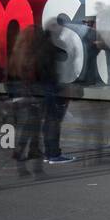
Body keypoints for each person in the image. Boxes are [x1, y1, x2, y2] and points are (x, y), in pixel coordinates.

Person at [7, 26, 44, 177]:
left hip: (19, 97)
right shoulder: (30, 55)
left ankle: (23, 162)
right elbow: (32, 78)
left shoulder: (16, 53)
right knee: (33, 131)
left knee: (27, 130)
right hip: (30, 97)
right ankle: (33, 165)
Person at [39, 21, 77, 164]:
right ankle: (53, 153)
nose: (61, 29)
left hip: (46, 88)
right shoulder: (52, 46)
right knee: (53, 121)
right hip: (53, 88)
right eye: (58, 26)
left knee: (49, 121)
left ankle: (49, 153)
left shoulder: (42, 45)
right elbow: (63, 60)